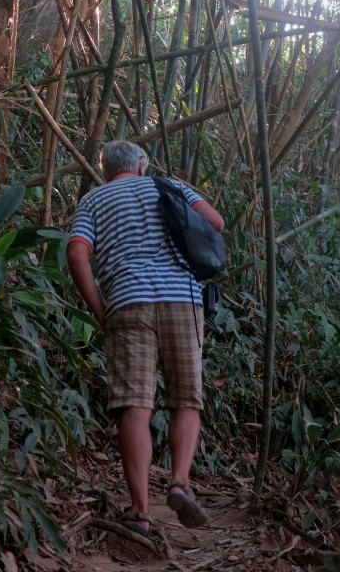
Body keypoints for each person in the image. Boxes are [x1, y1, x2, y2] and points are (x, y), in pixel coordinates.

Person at [66, 140, 225, 538]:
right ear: (141, 166)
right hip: (182, 300)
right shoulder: (168, 186)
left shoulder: (94, 200)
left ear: (105, 171)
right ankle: (179, 483)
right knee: (186, 399)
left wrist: (100, 311)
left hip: (127, 302)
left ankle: (139, 512)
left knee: (134, 406)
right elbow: (217, 223)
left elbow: (76, 252)